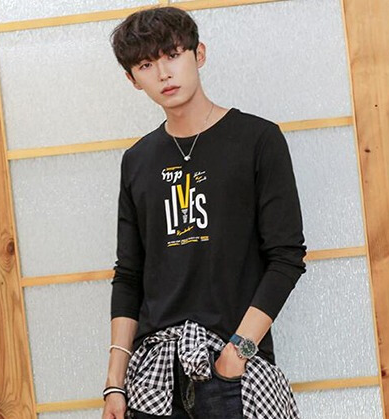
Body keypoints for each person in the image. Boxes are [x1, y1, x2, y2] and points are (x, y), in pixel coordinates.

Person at [102, 6, 307, 419]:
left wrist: (237, 354)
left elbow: (286, 257)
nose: (164, 73)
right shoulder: (137, 161)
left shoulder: (257, 140)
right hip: (155, 378)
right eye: (146, 65)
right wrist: (114, 384)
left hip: (232, 369)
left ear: (199, 54)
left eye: (172, 55)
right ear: (132, 79)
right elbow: (129, 276)